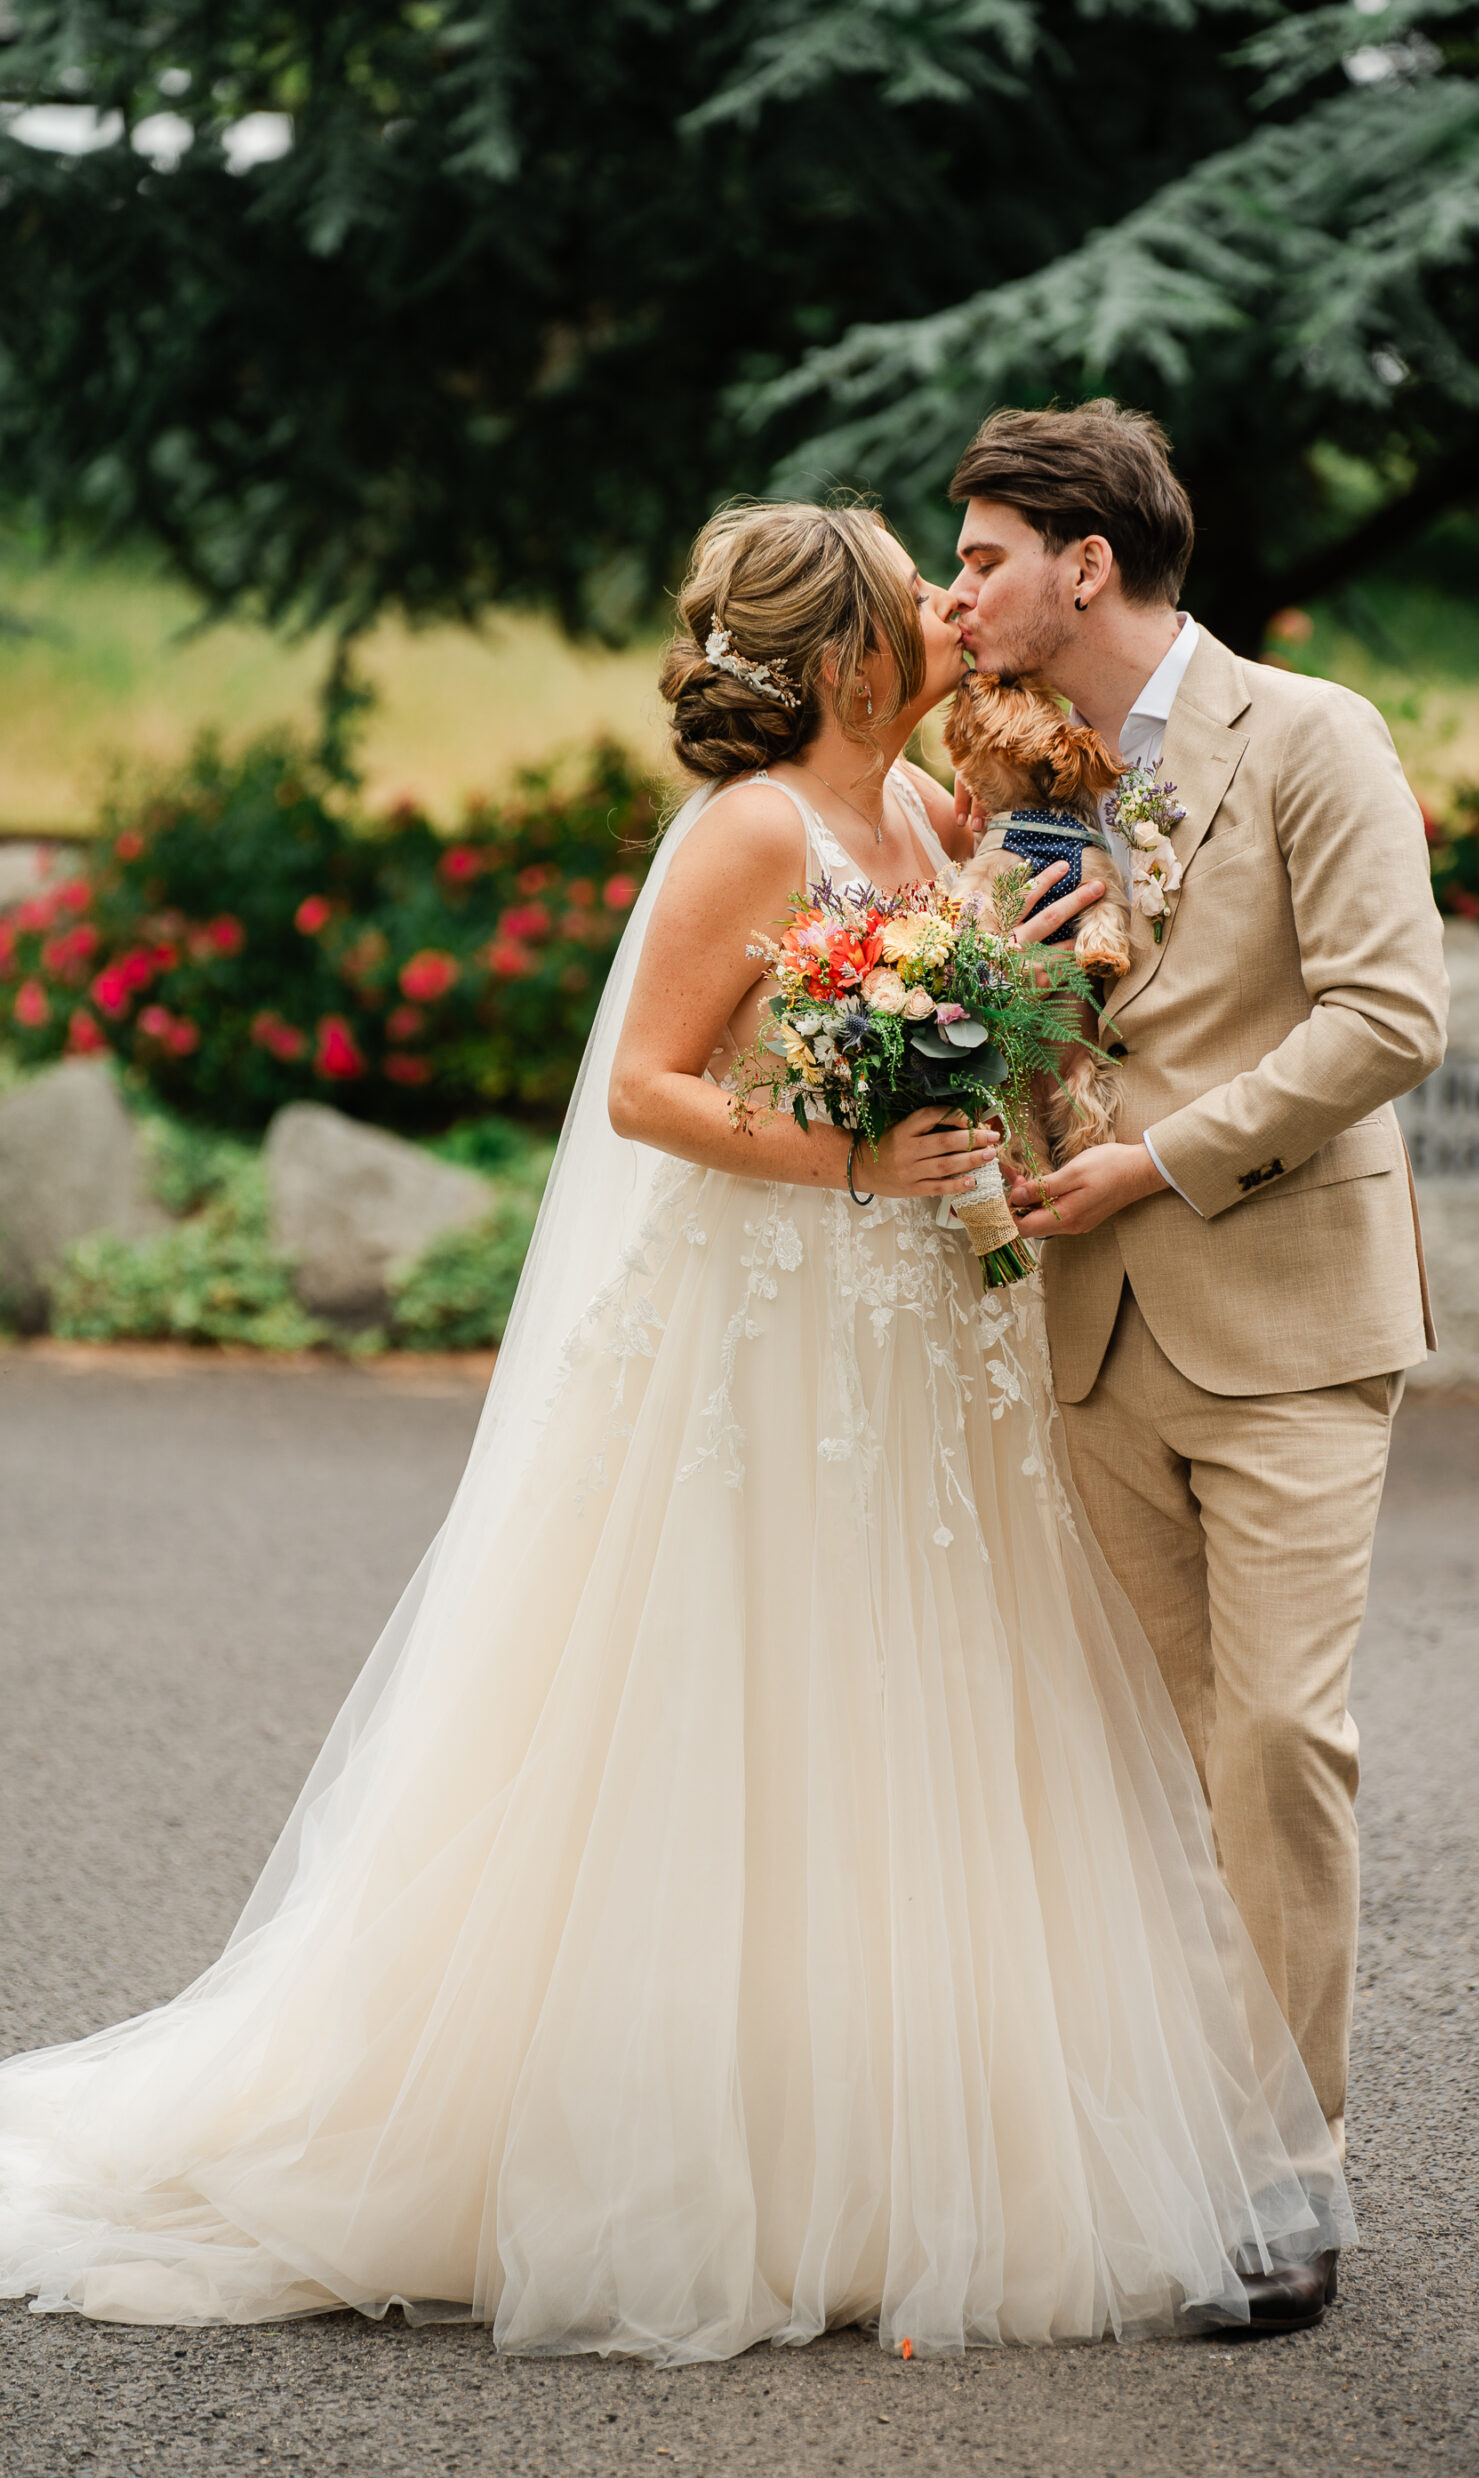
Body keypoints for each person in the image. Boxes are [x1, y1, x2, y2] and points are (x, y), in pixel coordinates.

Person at [0, 500, 1351, 2363]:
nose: (949, 606)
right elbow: (643, 1089)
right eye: (914, 589)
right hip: (783, 1331)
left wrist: (1051, 985)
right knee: (745, 1707)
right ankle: (685, 2152)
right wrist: (856, 1154)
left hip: (926, 1343)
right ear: (850, 651)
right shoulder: (750, 833)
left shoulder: (934, 814)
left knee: (911, 1715)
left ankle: (884, 2146)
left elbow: (1000, 1006)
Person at [948, 403, 1450, 2326]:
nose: (960, 589)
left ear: (1088, 564)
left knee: (1277, 1739)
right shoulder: (1013, 777)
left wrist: (1157, 1154)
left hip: (1294, 1322)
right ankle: (1186, 2144)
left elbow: (1393, 1010)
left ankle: (1292, 2171)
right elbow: (1038, 1029)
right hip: (1083, 1333)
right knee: (1156, 1767)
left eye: (983, 554)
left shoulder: (1312, 733)